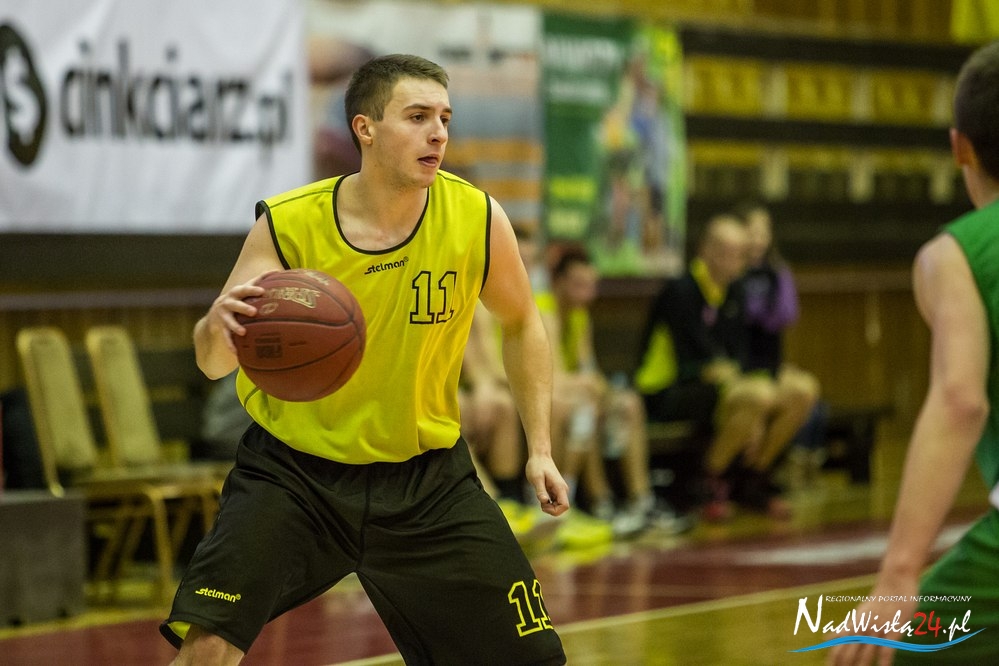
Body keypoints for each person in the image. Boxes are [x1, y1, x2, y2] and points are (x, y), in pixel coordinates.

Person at [160, 54, 569, 666]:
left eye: (444, 118)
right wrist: (215, 328)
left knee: (530, 661)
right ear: (365, 128)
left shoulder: (477, 218)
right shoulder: (291, 223)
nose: (438, 133)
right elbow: (214, 362)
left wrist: (540, 447)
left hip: (427, 482)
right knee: (209, 646)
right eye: (418, 116)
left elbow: (521, 323)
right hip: (294, 475)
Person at [828, 40, 999, 665]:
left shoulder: (955, 254)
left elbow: (960, 400)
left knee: (879, 652)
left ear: (960, 148)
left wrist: (899, 573)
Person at [634, 214, 810, 521]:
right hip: (667, 390)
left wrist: (759, 379)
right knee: (757, 396)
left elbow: (737, 354)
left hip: (718, 385)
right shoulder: (681, 290)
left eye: (740, 254)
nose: (736, 261)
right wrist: (751, 394)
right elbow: (695, 360)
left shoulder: (735, 290)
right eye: (728, 253)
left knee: (801, 390)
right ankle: (709, 480)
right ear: (706, 250)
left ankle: (754, 476)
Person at [544, 244, 689, 536]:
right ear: (558, 282)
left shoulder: (579, 316)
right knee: (585, 408)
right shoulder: (544, 312)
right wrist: (593, 388)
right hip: (539, 396)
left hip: (572, 395)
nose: (588, 293)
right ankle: (590, 501)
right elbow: (551, 377)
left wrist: (607, 393)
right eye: (579, 285)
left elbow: (589, 371)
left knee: (628, 404)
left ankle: (641, 501)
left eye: (591, 285)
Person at [733, 201, 822, 492]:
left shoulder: (776, 271)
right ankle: (736, 475)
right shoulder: (730, 273)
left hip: (768, 364)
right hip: (736, 368)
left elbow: (785, 315)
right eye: (751, 232)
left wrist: (762, 310)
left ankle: (759, 471)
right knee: (759, 400)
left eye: (764, 232)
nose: (758, 239)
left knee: (806, 391)